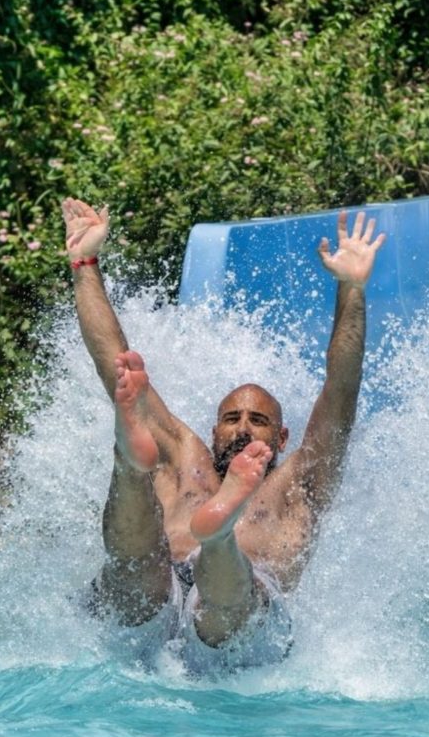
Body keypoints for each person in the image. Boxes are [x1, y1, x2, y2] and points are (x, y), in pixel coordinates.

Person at [62, 197, 385, 669]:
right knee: (136, 572)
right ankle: (133, 463)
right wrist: (84, 263)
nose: (242, 428)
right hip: (160, 592)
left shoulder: (300, 482)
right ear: (214, 430)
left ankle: (217, 534)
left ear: (282, 438)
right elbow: (113, 360)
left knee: (230, 602)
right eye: (232, 419)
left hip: (237, 616)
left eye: (259, 421)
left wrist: (352, 289)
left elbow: (341, 392)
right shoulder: (185, 456)